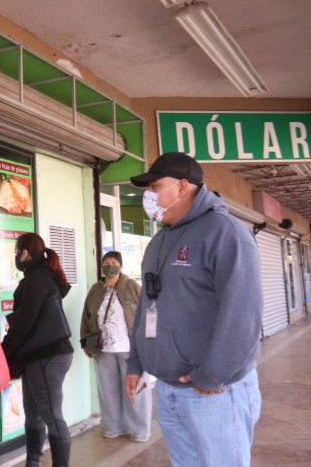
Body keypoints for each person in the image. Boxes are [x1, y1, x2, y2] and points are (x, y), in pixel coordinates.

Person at [125, 151, 263, 466]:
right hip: (169, 389)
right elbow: (148, 306)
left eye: (155, 186)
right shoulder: (158, 243)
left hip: (214, 392)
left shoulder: (225, 232)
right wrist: (136, 364)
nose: (149, 196)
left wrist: (211, 377)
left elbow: (243, 314)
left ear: (183, 187)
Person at [1, 233, 73, 467]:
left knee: (52, 415)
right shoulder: (42, 276)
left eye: (15, 252)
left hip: (47, 356)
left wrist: (3, 352)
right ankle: (33, 462)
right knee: (32, 412)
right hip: (40, 355)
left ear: (25, 254)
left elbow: (25, 322)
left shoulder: (37, 279)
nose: (15, 257)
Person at [79, 251, 151, 442]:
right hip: (103, 349)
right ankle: (113, 426)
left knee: (135, 389)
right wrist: (84, 341)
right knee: (107, 390)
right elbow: (86, 317)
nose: (109, 265)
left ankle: (139, 429)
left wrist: (147, 342)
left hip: (129, 348)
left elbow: (146, 313)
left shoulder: (132, 287)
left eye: (113, 262)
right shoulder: (96, 290)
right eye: (106, 262)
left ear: (121, 266)